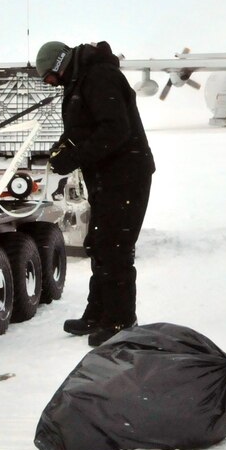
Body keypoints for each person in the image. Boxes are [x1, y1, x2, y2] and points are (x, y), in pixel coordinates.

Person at [36, 40, 155, 346]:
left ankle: (121, 320)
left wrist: (73, 157)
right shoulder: (79, 81)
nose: (49, 83)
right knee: (100, 244)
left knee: (115, 248)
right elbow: (82, 127)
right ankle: (98, 313)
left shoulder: (100, 76)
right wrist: (63, 147)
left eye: (49, 76)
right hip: (105, 178)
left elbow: (115, 130)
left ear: (61, 63)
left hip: (126, 176)